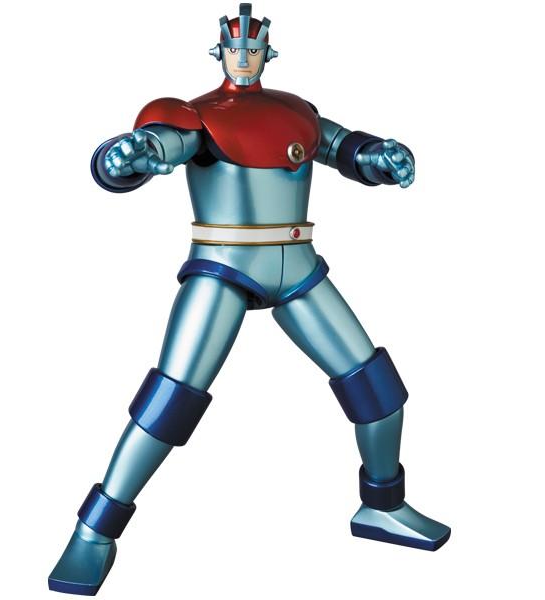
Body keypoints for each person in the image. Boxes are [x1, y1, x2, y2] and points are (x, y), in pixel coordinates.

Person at [48, 3, 450, 595]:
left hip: (300, 269)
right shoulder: (198, 116)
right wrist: (131, 155)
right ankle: (92, 533)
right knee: (169, 403)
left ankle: (382, 505)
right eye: (234, 46)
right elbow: (163, 144)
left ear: (267, 52)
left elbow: (343, 148)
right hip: (224, 268)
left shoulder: (295, 112)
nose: (243, 54)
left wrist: (381, 158)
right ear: (220, 50)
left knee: (378, 389)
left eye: (253, 46)